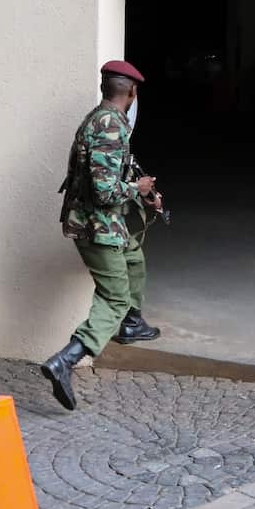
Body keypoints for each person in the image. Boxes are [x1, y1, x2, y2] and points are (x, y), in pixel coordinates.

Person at [42, 60, 165, 411]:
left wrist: (143, 193)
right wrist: (137, 188)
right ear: (133, 91)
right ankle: (65, 360)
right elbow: (105, 192)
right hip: (97, 228)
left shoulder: (103, 119)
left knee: (133, 258)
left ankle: (132, 323)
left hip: (107, 224)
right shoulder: (109, 126)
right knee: (114, 298)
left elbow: (109, 176)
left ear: (104, 87)